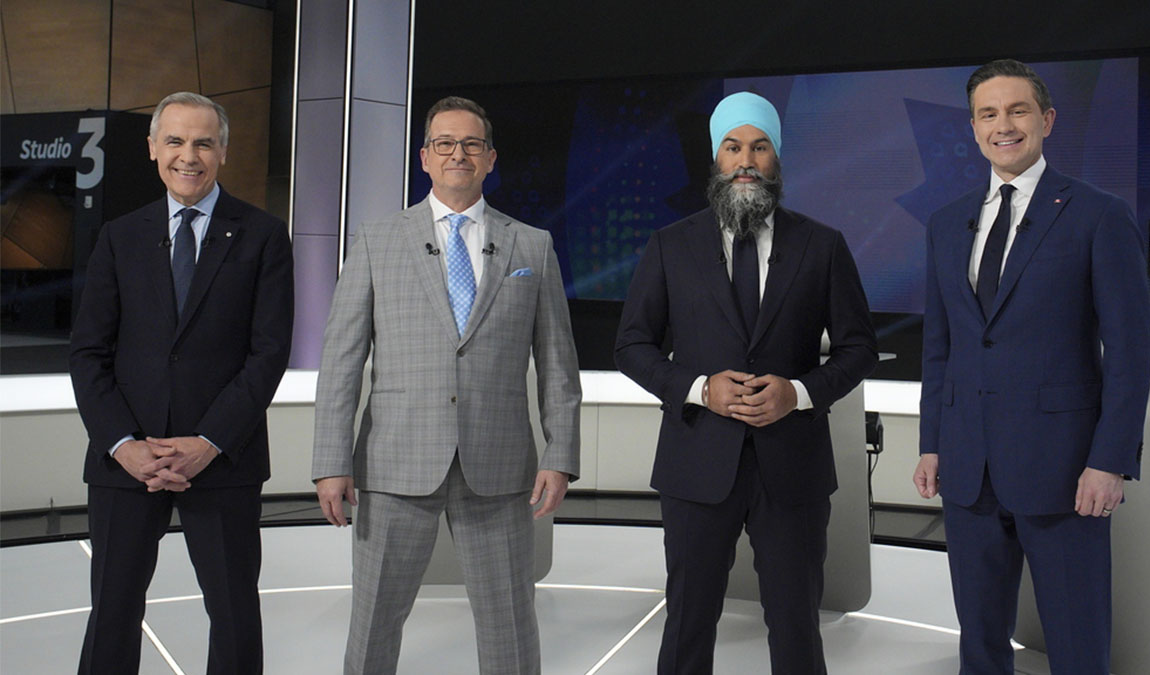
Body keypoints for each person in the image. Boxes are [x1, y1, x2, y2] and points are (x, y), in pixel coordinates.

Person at [312, 96, 581, 675]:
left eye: (471, 145)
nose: (458, 154)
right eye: (445, 144)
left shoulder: (531, 245)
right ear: (425, 159)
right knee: (374, 622)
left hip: (500, 467)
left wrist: (561, 455)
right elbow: (341, 360)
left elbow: (559, 365)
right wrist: (331, 460)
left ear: (490, 159)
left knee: (510, 624)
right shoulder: (377, 241)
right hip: (392, 464)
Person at [614, 91, 877, 674]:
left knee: (795, 626)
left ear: (777, 159)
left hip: (793, 468)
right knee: (687, 620)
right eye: (733, 147)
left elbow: (859, 349)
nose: (746, 160)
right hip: (696, 463)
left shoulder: (822, 245)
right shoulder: (670, 245)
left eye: (760, 147)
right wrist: (698, 387)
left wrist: (800, 393)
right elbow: (631, 346)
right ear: (716, 159)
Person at [913, 59, 1150, 674]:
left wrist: (1109, 460)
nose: (1004, 125)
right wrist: (931, 444)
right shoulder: (946, 225)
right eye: (988, 114)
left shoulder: (1099, 215)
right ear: (972, 129)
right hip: (968, 470)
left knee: (1077, 645)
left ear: (1045, 119)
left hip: (1066, 471)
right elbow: (940, 349)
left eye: (1017, 110)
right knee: (980, 645)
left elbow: (1128, 353)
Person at [69, 91, 294, 674]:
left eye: (202, 142)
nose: (187, 155)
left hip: (222, 461)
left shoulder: (263, 236)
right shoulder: (119, 237)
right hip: (127, 464)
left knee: (234, 614)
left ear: (222, 151)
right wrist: (124, 445)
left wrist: (207, 442)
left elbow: (267, 355)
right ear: (152, 149)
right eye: (174, 140)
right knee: (112, 612)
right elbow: (89, 353)